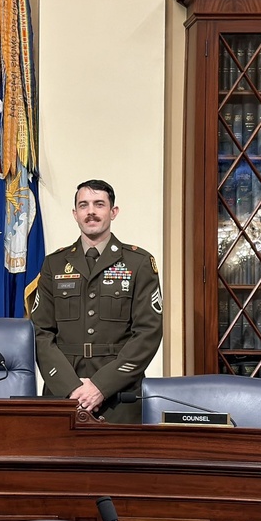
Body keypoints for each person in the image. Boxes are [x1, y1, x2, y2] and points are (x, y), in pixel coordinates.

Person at [31, 179, 163, 423]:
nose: (90, 211)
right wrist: (70, 387)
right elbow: (40, 332)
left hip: (120, 395)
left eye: (99, 204)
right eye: (84, 205)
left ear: (113, 212)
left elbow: (148, 333)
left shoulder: (139, 263)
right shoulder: (54, 264)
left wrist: (101, 386)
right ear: (75, 214)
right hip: (63, 393)